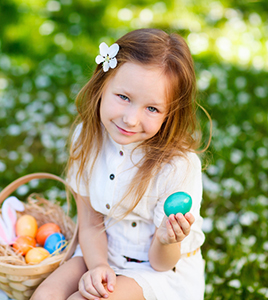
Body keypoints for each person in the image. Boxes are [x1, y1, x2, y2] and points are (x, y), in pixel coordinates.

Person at [30, 28, 211, 300]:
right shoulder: (87, 137)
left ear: (170, 113)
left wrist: (166, 239)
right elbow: (90, 223)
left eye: (152, 108)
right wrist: (99, 266)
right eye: (123, 97)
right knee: (46, 295)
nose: (130, 119)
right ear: (102, 86)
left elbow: (163, 263)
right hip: (101, 250)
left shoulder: (178, 166)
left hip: (156, 271)